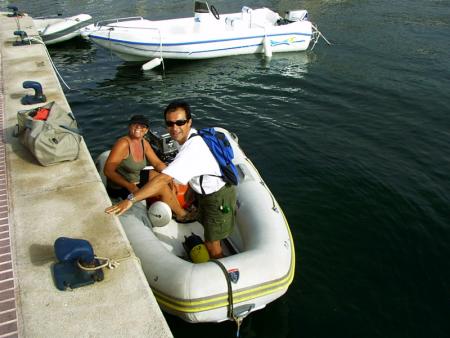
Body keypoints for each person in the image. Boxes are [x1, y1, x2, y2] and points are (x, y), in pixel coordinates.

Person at [105, 101, 237, 259]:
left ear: (189, 122)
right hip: (204, 193)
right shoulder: (189, 138)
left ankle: (220, 268)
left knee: (212, 243)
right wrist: (191, 192)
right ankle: (191, 222)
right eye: (170, 123)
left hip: (217, 197)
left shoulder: (192, 147)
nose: (174, 128)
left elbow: (162, 177)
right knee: (208, 231)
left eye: (180, 122)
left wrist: (131, 200)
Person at [104, 114, 186, 218]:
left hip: (136, 179)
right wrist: (130, 186)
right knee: (162, 187)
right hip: (121, 188)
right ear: (130, 127)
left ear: (146, 130)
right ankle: (182, 215)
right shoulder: (123, 144)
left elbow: (157, 163)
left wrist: (170, 176)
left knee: (161, 177)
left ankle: (172, 208)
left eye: (143, 126)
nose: (139, 127)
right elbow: (108, 171)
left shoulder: (144, 143)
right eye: (135, 125)